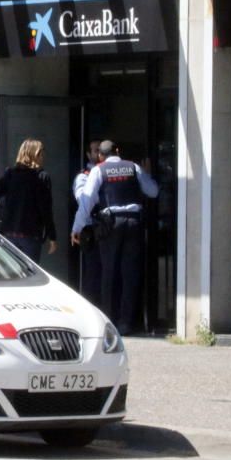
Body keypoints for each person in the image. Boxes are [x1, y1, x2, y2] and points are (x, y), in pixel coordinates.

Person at [71, 140, 158, 335]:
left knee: (109, 273)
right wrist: (148, 174)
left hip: (110, 225)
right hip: (134, 223)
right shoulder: (133, 167)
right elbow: (153, 191)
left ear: (101, 156)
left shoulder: (98, 170)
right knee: (130, 274)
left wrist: (77, 228)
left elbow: (87, 201)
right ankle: (126, 323)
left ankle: (108, 323)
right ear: (118, 151)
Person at [0, 139, 58, 262]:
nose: (42, 158)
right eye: (40, 154)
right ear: (32, 155)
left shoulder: (10, 174)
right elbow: (46, 209)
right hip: (30, 236)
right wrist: (52, 237)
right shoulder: (41, 177)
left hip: (9, 234)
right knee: (30, 276)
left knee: (13, 275)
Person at [73, 139, 102, 306]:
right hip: (91, 230)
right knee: (92, 274)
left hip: (108, 229)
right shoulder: (83, 176)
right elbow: (83, 199)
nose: (98, 154)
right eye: (95, 150)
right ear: (88, 154)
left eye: (100, 150)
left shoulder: (106, 172)